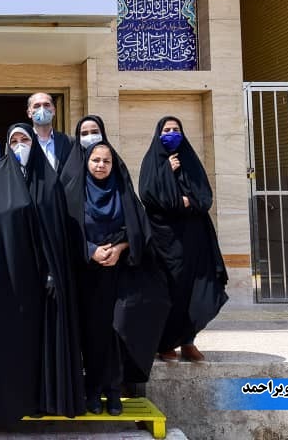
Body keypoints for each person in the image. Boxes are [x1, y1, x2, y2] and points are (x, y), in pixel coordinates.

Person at [0, 123, 84, 427]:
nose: (20, 145)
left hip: (38, 283)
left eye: (25, 139)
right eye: (14, 140)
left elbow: (56, 235)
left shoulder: (49, 182)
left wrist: (52, 272)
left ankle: (38, 400)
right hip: (3, 279)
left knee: (35, 346)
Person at [60, 139, 170, 416]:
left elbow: (139, 229)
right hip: (86, 276)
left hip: (120, 274)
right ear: (86, 162)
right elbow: (65, 231)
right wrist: (91, 251)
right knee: (93, 333)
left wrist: (120, 248)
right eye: (95, 160)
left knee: (117, 331)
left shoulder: (123, 192)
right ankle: (93, 390)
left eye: (106, 161)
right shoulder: (74, 192)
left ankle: (113, 390)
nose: (101, 165)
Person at [138, 116, 228, 362]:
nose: (171, 133)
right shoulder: (152, 162)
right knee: (168, 290)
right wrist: (169, 174)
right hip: (163, 240)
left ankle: (188, 341)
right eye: (166, 130)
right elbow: (148, 195)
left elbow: (204, 197)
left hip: (193, 239)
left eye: (175, 129)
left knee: (194, 289)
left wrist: (187, 201)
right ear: (158, 134)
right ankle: (165, 343)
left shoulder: (190, 160)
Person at [26, 92, 71, 173]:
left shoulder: (69, 141)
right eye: (37, 106)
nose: (42, 109)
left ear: (54, 111)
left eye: (46, 105)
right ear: (29, 113)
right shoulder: (19, 142)